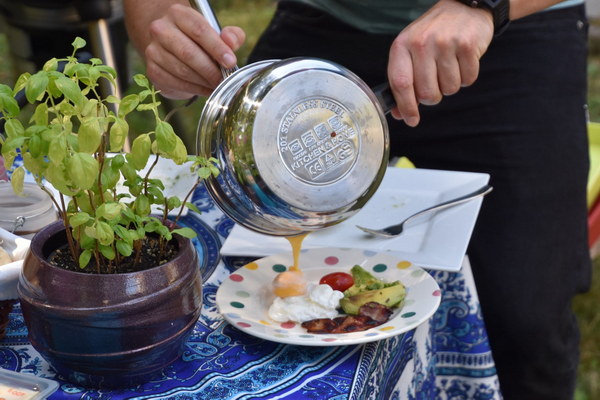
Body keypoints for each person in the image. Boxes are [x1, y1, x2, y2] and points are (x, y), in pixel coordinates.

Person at [122, 0, 592, 399]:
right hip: (322, 27)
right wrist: (166, 28)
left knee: (523, 319)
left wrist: (483, 6)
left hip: (506, 35)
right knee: (235, 293)